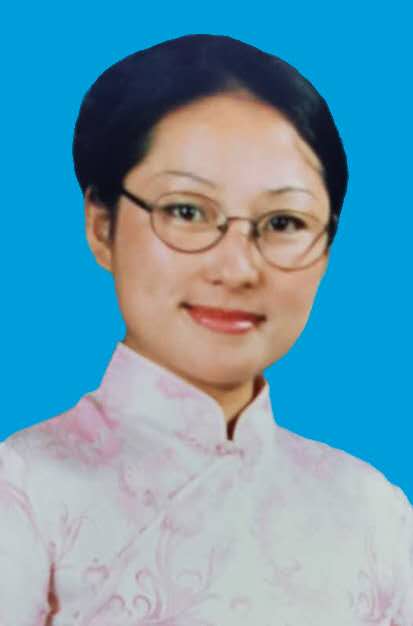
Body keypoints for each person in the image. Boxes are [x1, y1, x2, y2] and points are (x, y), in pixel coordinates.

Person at [1, 34, 412, 625]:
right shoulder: (23, 493)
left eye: (284, 222)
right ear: (101, 226)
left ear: (326, 249)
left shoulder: (374, 513)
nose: (237, 268)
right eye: (187, 211)